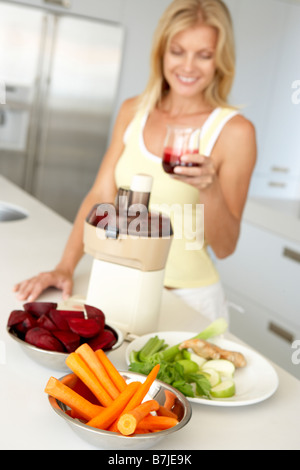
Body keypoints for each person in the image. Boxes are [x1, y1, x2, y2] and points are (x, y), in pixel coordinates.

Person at [14, 0, 256, 322]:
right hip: (119, 283)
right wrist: (64, 266)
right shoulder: (133, 110)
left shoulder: (235, 131)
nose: (188, 66)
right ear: (161, 52)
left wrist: (209, 189)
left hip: (187, 300)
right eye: (178, 51)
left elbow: (226, 247)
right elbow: (100, 196)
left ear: (219, 60)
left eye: (204, 55)